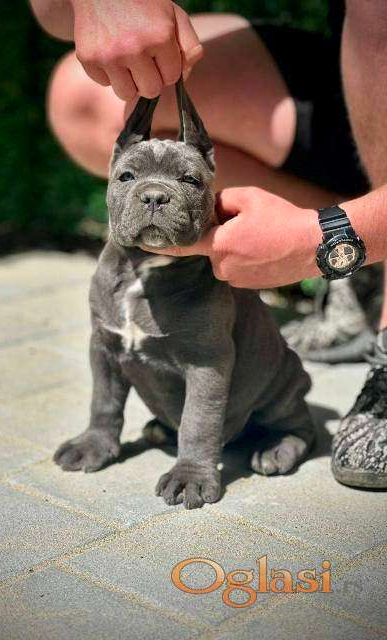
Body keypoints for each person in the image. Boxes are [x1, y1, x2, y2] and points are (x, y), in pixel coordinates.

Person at [29, 0, 387, 489]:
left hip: (259, 400)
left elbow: (207, 365)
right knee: (84, 93)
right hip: (326, 68)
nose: (154, 196)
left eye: (188, 181)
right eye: (129, 176)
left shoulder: (206, 291)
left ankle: (295, 426)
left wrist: (319, 238)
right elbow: (52, 14)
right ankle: (361, 264)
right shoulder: (107, 281)